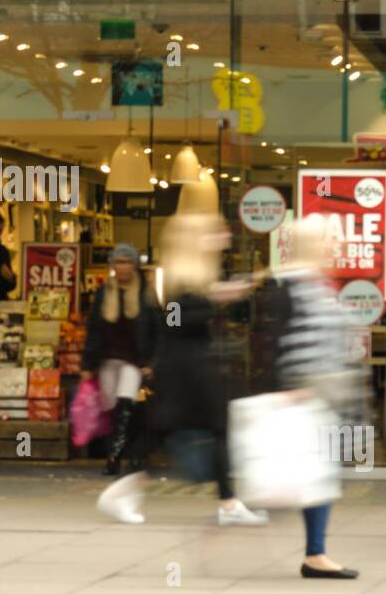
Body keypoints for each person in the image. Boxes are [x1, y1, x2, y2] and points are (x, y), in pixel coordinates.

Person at [96, 213, 267, 527]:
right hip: (186, 370)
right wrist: (216, 299)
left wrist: (216, 296)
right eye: (214, 233)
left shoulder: (197, 280)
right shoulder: (180, 283)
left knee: (194, 430)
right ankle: (124, 490)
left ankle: (226, 503)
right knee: (183, 430)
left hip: (192, 366)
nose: (224, 237)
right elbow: (174, 323)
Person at [251, 215, 362, 578]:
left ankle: (315, 552)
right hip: (303, 394)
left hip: (323, 393)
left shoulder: (317, 285)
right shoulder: (290, 288)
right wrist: (286, 386)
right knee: (312, 473)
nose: (333, 246)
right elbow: (271, 342)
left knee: (318, 474)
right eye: (326, 240)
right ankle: (313, 552)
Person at [80, 242, 158, 476]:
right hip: (108, 360)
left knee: (126, 405)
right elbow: (93, 329)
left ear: (134, 265)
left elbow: (159, 327)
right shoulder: (105, 292)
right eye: (118, 262)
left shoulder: (146, 291)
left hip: (134, 361)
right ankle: (133, 453)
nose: (123, 267)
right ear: (112, 266)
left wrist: (152, 362)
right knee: (112, 409)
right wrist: (87, 364)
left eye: (127, 262)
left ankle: (115, 457)